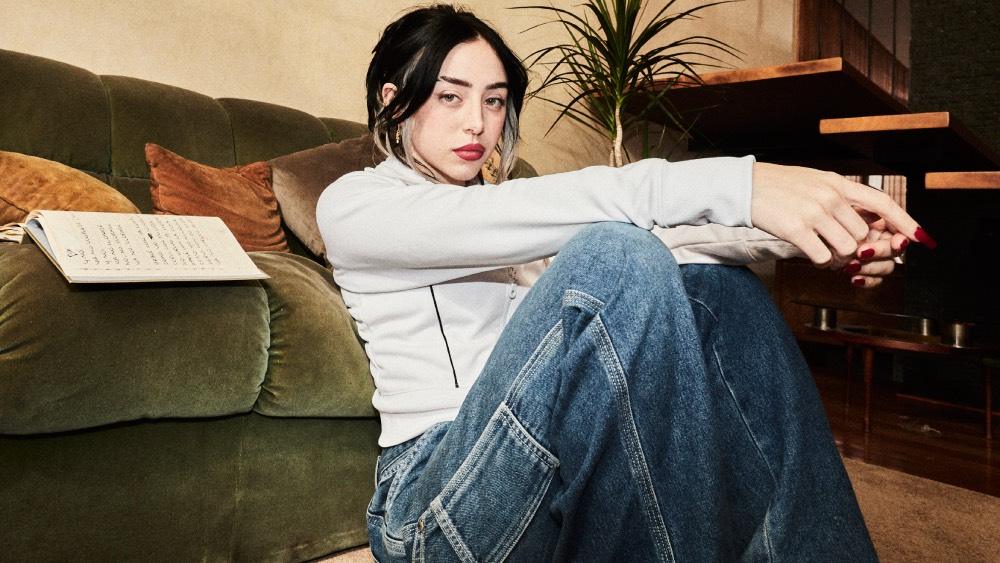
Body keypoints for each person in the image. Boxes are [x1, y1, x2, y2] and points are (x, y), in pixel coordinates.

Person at [316, 5, 932, 561]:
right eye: (450, 97)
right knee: (613, 253)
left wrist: (823, 240)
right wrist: (742, 184)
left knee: (718, 289)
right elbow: (594, 237)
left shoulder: (516, 210)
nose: (476, 122)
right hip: (433, 503)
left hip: (549, 472)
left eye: (495, 101)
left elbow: (680, 243)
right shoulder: (356, 205)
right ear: (394, 101)